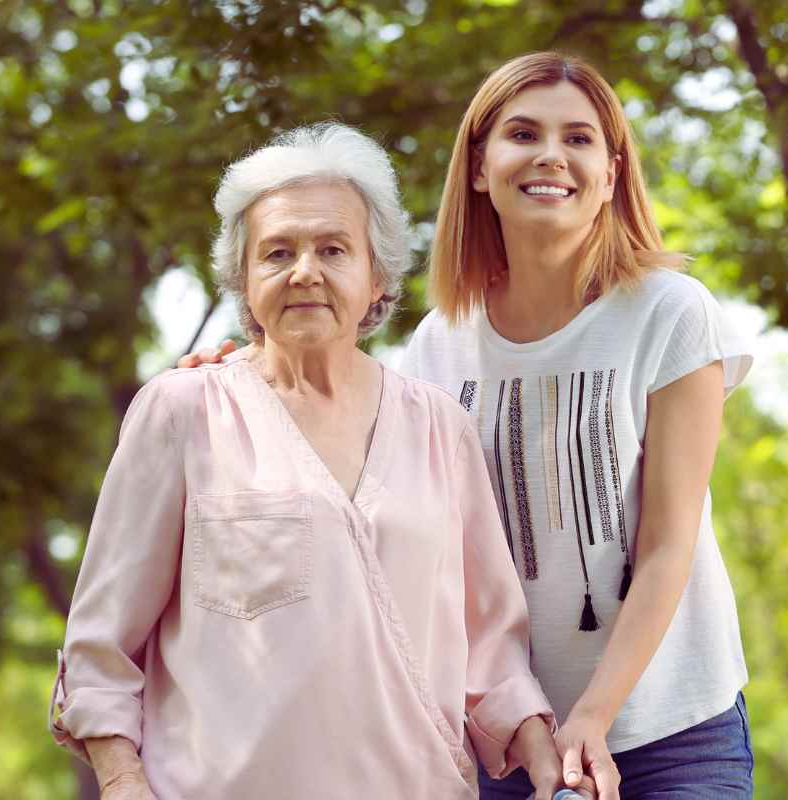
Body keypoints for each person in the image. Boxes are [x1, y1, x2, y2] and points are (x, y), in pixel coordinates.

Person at [185, 51, 756, 800]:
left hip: (674, 728)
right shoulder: (438, 345)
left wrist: (592, 717)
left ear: (611, 176)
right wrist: (245, 376)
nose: (551, 155)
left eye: (579, 139)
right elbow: (355, 466)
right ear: (481, 166)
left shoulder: (671, 314)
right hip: (503, 739)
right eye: (523, 133)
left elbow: (667, 548)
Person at [50, 122, 585, 800]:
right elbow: (101, 647)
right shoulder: (184, 413)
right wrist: (123, 781)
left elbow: (492, 647)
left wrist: (544, 758)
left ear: (377, 275)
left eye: (334, 248)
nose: (306, 271)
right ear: (243, 279)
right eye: (278, 253)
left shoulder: (439, 428)